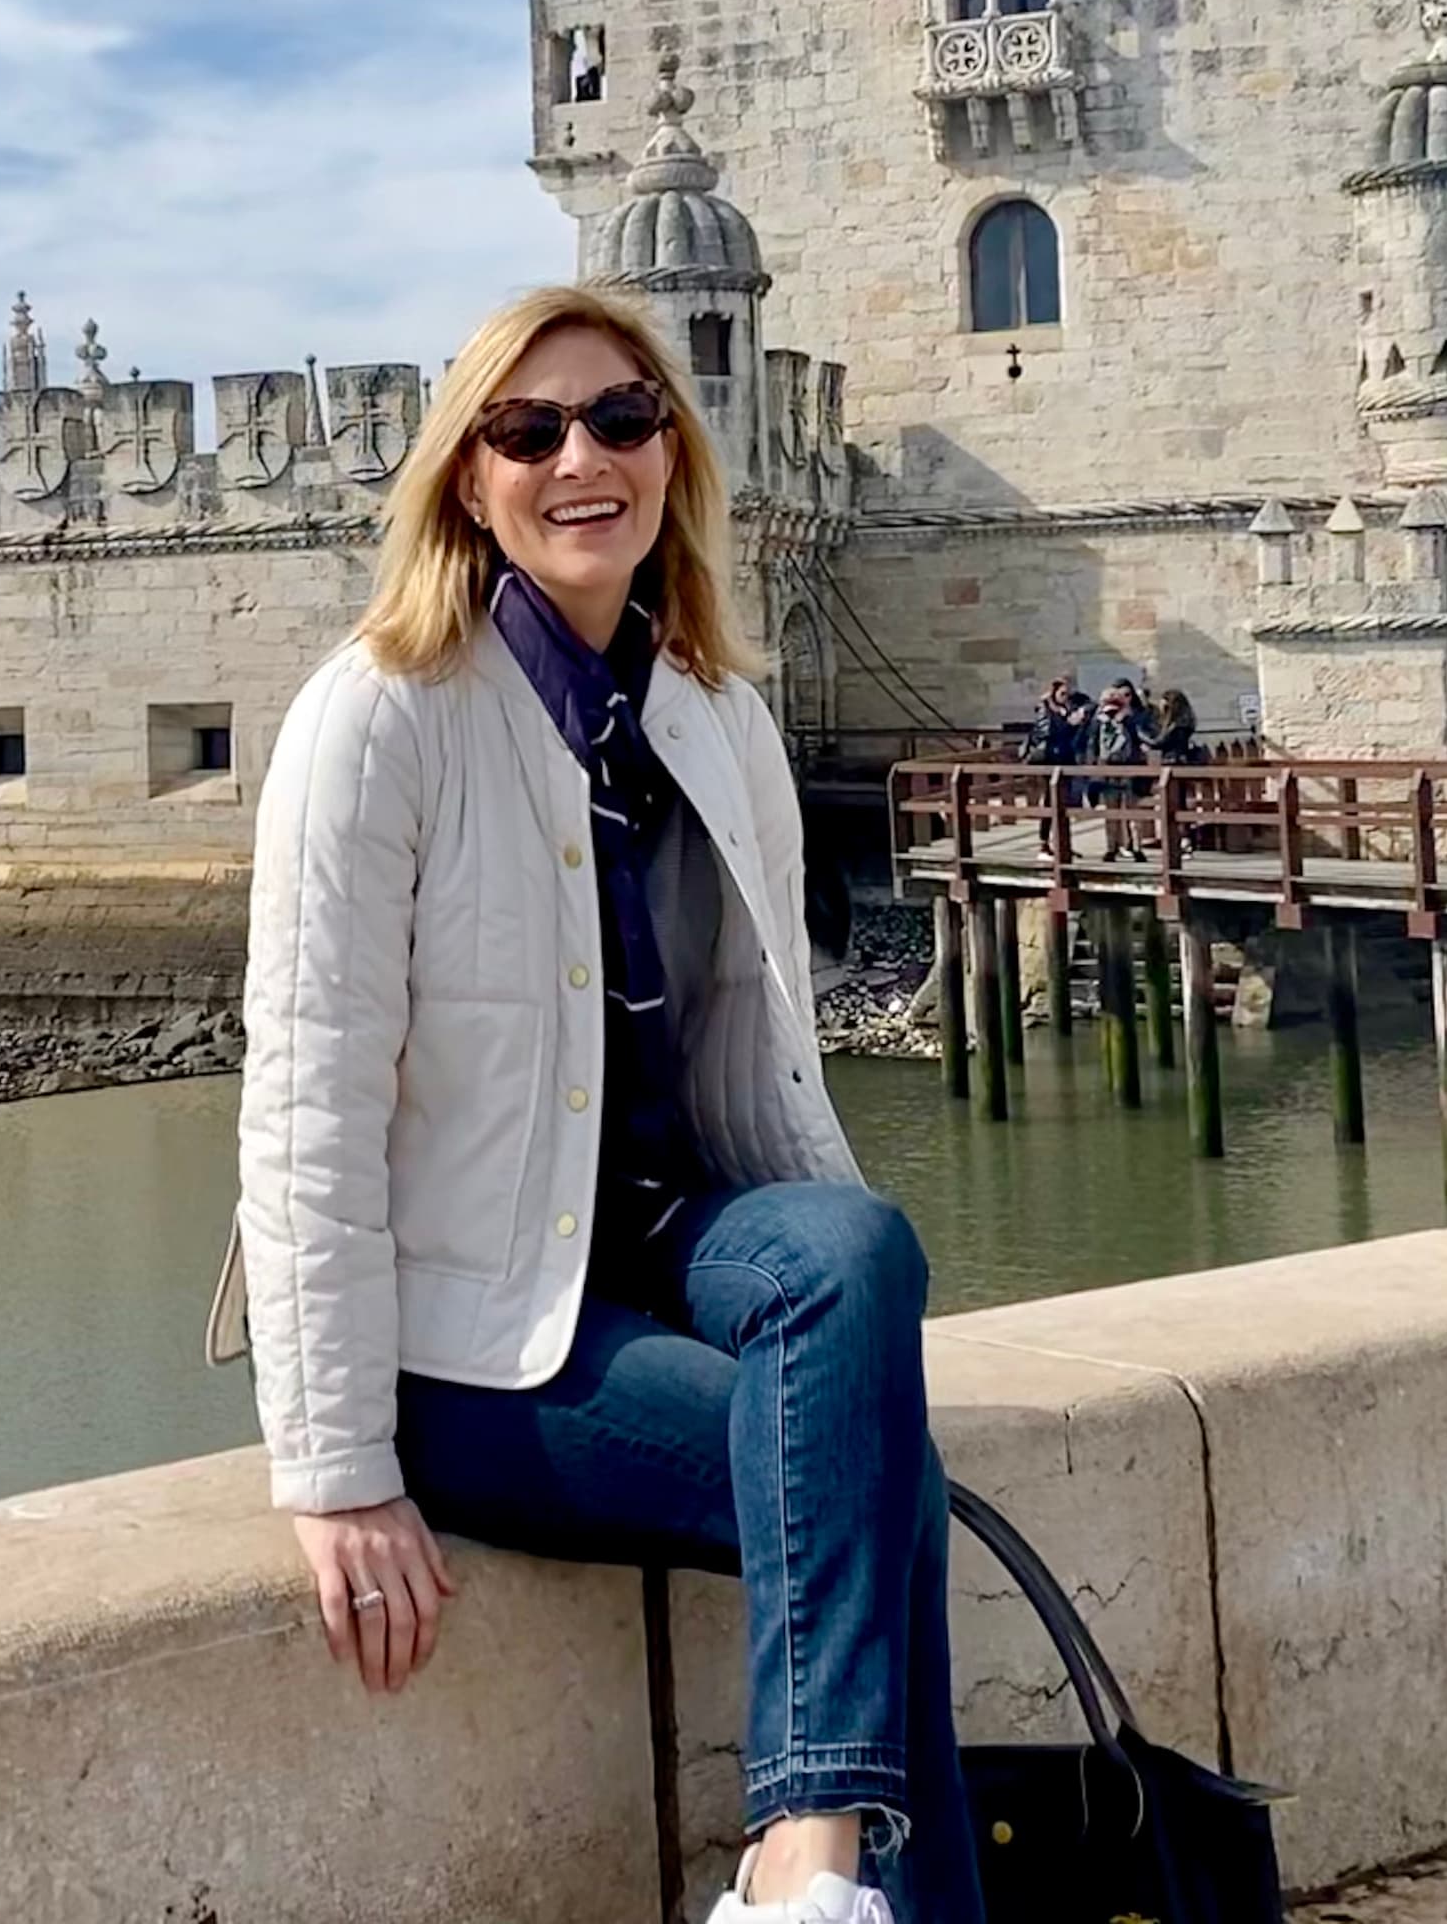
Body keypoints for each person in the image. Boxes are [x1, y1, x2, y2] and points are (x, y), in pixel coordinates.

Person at [231, 283, 976, 1924]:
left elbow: (762, 1068)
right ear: (467, 476)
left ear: (675, 455)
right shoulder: (378, 718)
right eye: (531, 428)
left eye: (625, 419)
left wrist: (856, 1342)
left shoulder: (713, 711)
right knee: (883, 1498)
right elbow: (307, 1108)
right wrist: (339, 1468)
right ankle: (823, 1884)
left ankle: (808, 1873)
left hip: (660, 1246)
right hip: (476, 1337)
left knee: (856, 1248)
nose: (585, 457)